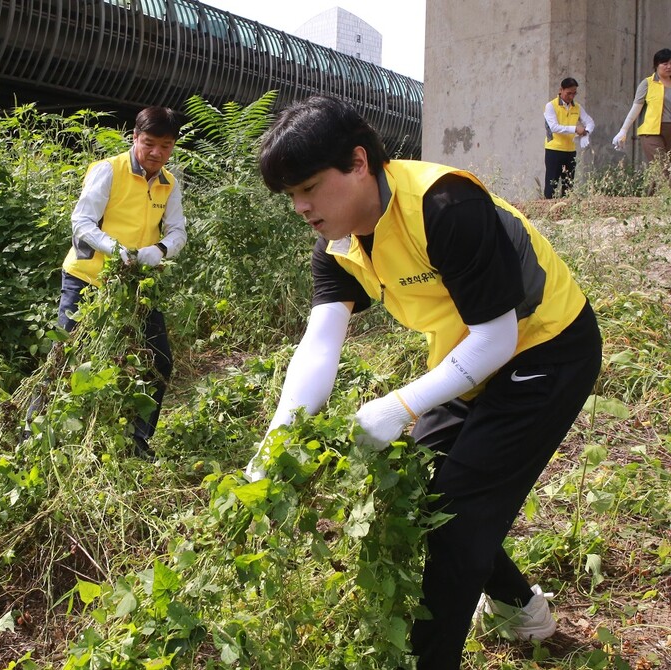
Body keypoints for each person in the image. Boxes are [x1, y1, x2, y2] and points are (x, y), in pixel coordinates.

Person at [244, 96, 602, 669]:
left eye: (309, 186)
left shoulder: (445, 204)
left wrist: (396, 407)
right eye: (291, 195)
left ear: (358, 161)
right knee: (418, 499)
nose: (301, 206)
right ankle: (522, 609)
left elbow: (498, 338)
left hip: (546, 349)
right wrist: (276, 441)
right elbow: (319, 344)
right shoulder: (337, 244)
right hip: (469, 355)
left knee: (457, 525)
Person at [52, 106, 187, 458]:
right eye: (150, 143)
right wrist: (115, 249)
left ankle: (136, 441)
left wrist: (160, 249)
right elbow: (81, 222)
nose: (157, 152)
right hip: (87, 279)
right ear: (135, 138)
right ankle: (38, 437)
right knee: (65, 356)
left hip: (137, 286)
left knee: (158, 360)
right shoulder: (108, 171)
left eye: (166, 145)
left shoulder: (169, 184)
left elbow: (178, 232)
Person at [613, 48, 671, 169]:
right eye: (665, 64)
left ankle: (654, 189)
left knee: (663, 173)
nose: (669, 67)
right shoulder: (647, 83)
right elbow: (636, 109)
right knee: (661, 169)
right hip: (652, 132)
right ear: (656, 65)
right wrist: (623, 130)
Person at [543, 77, 594, 199]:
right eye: (568, 93)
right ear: (561, 90)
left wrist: (586, 132)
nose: (571, 97)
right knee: (551, 184)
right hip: (554, 149)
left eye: (574, 93)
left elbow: (590, 122)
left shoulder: (577, 107)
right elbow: (554, 127)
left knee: (568, 185)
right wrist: (575, 129)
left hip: (570, 150)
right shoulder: (551, 106)